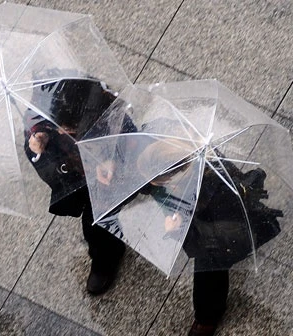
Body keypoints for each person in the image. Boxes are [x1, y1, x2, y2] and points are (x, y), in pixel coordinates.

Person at [134, 134, 282, 336]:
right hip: (205, 211)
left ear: (174, 178)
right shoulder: (185, 154)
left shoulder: (217, 194)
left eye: (158, 182)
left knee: (209, 270)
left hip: (227, 233)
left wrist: (177, 230)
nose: (154, 187)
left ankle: (207, 318)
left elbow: (208, 243)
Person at [24, 76, 132, 295]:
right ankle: (105, 256)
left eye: (68, 128)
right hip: (79, 184)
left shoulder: (112, 118)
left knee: (100, 220)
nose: (62, 132)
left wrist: (111, 160)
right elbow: (48, 173)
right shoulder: (44, 124)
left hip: (111, 181)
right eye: (60, 127)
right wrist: (40, 153)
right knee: (94, 224)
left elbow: (133, 146)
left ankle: (107, 255)